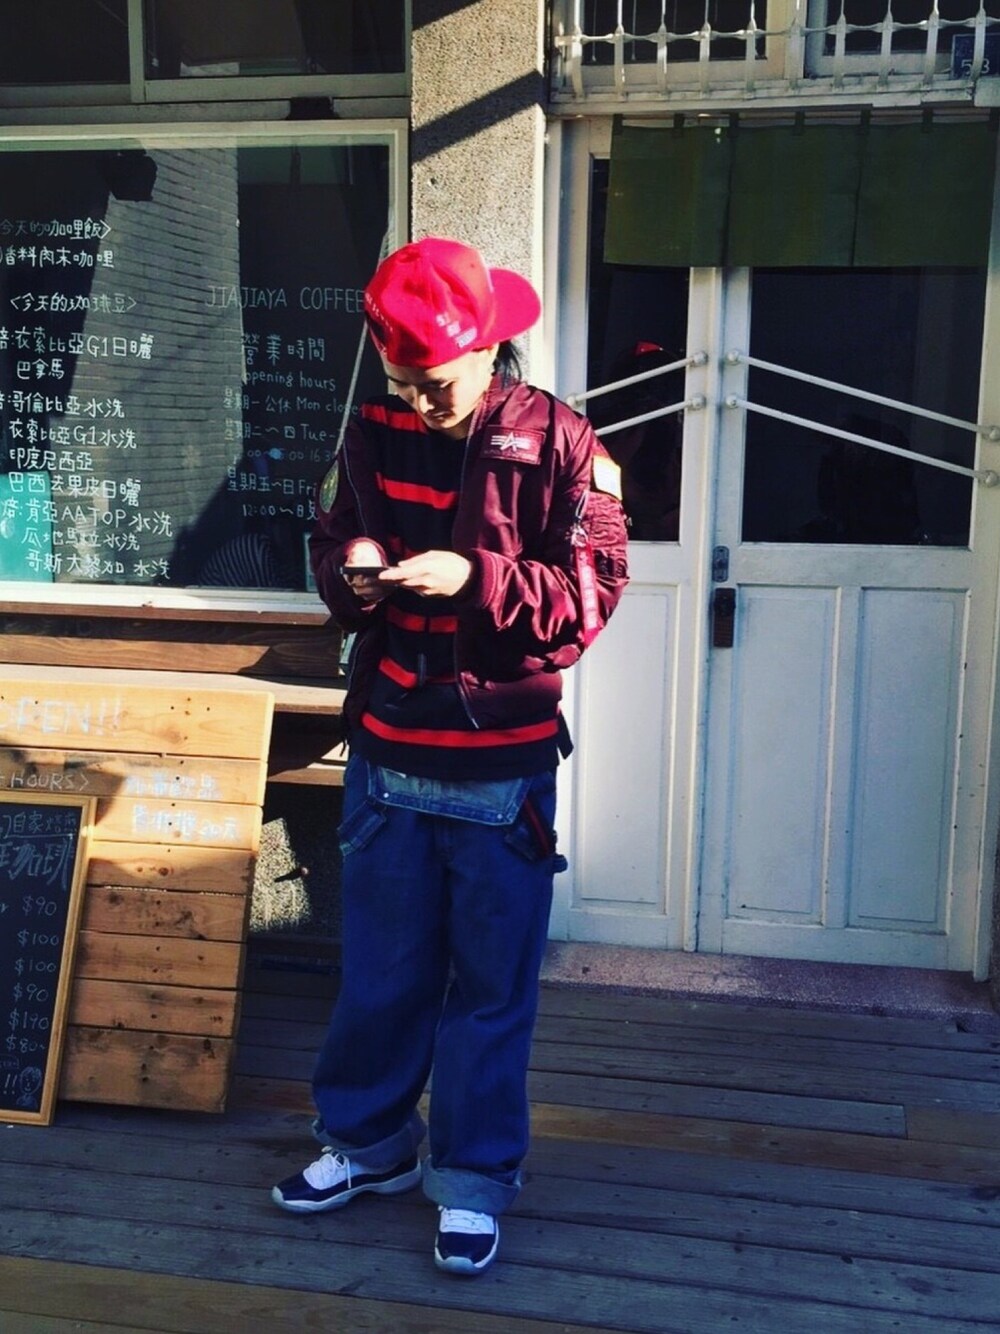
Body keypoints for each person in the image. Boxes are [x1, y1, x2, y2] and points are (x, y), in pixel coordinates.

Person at [270, 237, 629, 1275]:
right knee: (379, 972)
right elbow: (328, 541)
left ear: (489, 350)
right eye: (401, 383)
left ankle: (471, 1178)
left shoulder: (562, 441)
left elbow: (590, 599)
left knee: (488, 987)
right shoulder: (369, 429)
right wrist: (352, 569)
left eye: (436, 384)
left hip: (501, 763)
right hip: (385, 749)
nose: (418, 403)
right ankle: (368, 1145)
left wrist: (476, 578)